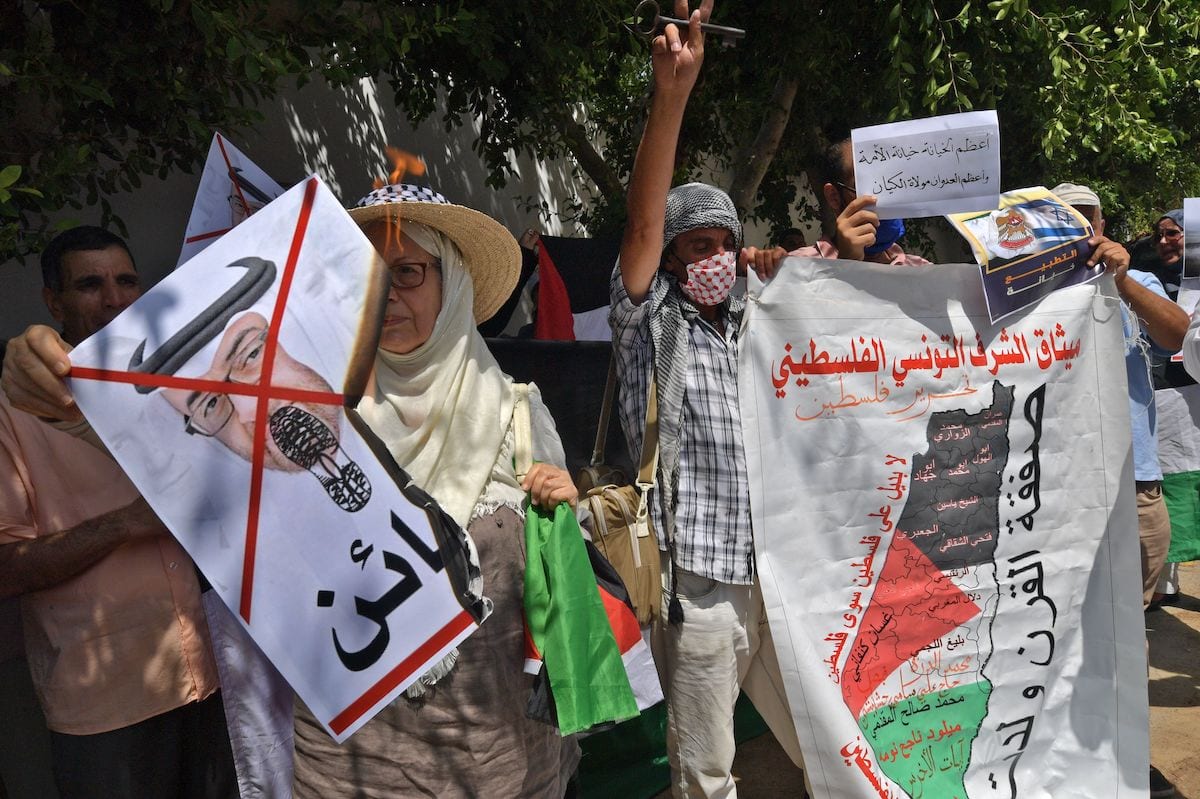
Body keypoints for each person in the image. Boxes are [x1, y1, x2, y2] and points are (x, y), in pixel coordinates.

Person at [287, 181, 583, 797]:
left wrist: (563, 513)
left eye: (407, 272)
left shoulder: (515, 414)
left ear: (452, 286)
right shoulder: (313, 419)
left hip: (501, 757)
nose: (385, 294)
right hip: (354, 768)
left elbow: (563, 575)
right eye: (367, 275)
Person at [611, 3, 806, 796]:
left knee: (834, 740)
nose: (718, 258)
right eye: (700, 245)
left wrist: (811, 272)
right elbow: (641, 222)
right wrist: (674, 96)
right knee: (706, 772)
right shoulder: (649, 319)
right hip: (699, 583)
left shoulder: (756, 321)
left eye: (728, 243)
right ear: (671, 257)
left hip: (782, 573)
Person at [0, 225, 236, 798]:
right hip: (105, 706)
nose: (114, 300)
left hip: (215, 679)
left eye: (127, 282)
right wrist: (126, 523)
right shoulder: (15, 410)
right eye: (90, 285)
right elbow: (5, 568)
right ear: (53, 302)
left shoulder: (177, 381)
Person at [1052, 185, 1186, 799]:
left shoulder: (1137, 281)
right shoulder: (1020, 290)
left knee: (1129, 629)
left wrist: (1123, 281)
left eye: (1089, 219)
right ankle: (1061, 756)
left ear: (1104, 224)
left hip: (1134, 484)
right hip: (1058, 487)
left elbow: (1178, 335)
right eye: (1065, 219)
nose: (1080, 230)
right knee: (1061, 630)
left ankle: (1126, 755)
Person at [790, 135, 930, 265]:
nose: (885, 195)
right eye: (871, 185)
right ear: (834, 197)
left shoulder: (922, 270)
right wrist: (846, 264)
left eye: (894, 182)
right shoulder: (796, 268)